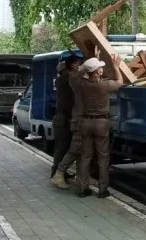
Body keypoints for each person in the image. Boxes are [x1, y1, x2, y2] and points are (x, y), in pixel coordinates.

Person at [71, 56, 124, 198]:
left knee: (85, 156)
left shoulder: (82, 84)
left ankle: (82, 188)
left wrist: (83, 68)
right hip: (101, 123)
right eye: (100, 67)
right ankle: (102, 190)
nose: (102, 69)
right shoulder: (103, 86)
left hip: (86, 122)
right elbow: (120, 82)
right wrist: (116, 67)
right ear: (98, 72)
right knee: (103, 157)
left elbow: (74, 78)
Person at [51, 60, 88, 189]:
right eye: (75, 65)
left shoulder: (63, 81)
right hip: (64, 119)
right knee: (62, 147)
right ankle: (56, 174)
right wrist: (83, 67)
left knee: (64, 147)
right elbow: (73, 76)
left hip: (63, 118)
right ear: (67, 69)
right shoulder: (64, 79)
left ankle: (61, 173)